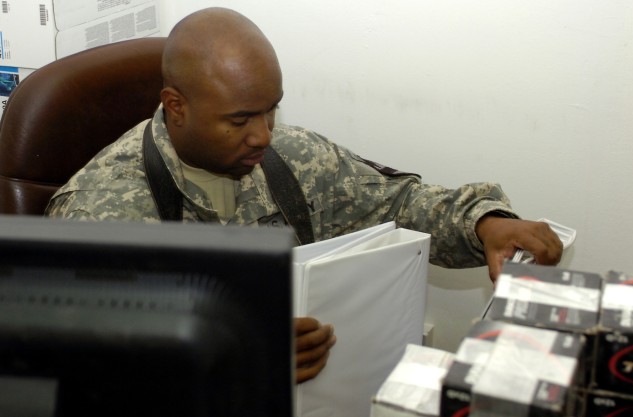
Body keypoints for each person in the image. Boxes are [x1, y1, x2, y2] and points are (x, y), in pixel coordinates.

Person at [46, 7, 563, 384]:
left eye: (271, 110)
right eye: (240, 119)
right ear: (175, 106)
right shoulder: (103, 213)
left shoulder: (284, 158)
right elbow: (89, 369)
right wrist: (235, 362)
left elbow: (398, 205)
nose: (264, 135)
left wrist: (484, 223)